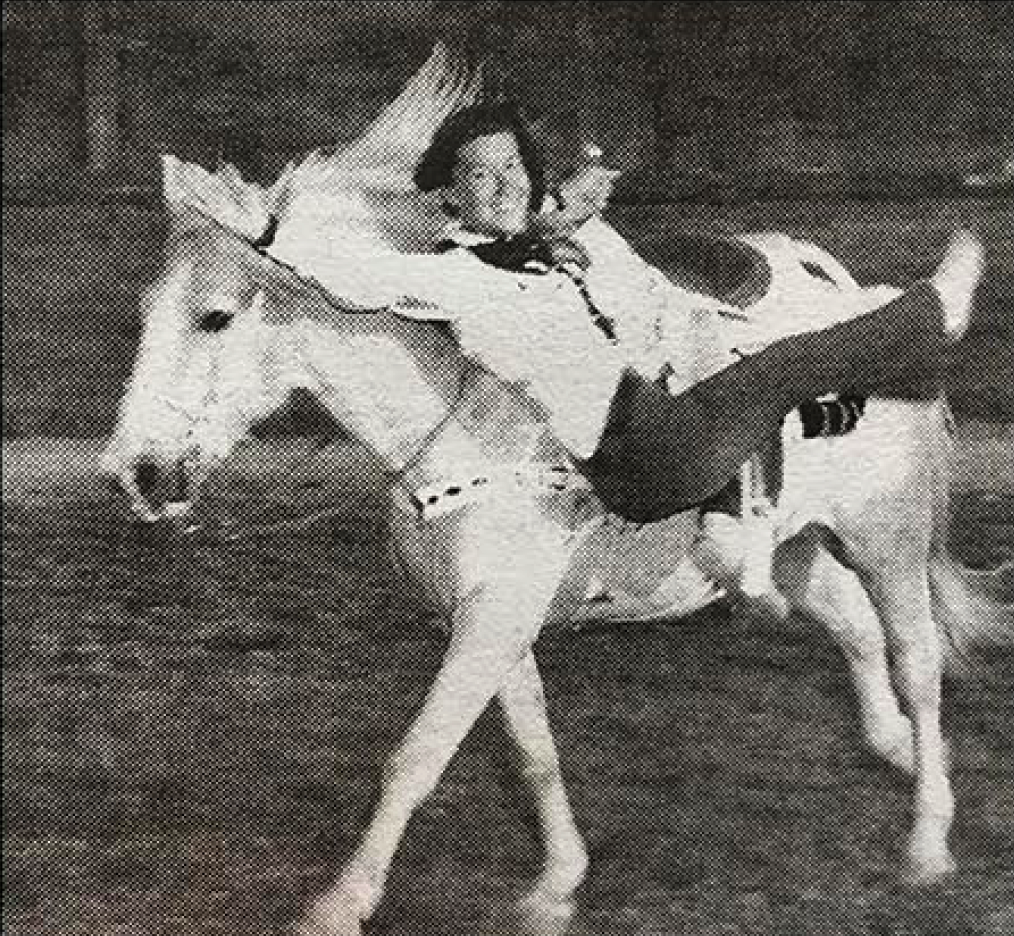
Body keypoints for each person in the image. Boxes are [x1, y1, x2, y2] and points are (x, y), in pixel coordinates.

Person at [270, 103, 981, 529]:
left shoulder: (521, 248)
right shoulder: (453, 277)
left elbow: (530, 224)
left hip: (636, 459)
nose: (504, 181)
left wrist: (566, 206)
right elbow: (361, 277)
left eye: (514, 164)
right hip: (653, 447)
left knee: (733, 358)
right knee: (789, 363)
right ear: (449, 198)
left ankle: (754, 507)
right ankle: (929, 313)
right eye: (481, 173)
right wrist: (268, 235)